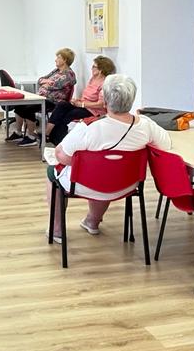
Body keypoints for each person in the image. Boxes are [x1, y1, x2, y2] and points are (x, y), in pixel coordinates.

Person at [47, 74, 172, 241]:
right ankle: (92, 222)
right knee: (108, 172)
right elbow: (165, 145)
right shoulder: (146, 125)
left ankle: (57, 229)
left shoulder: (88, 127)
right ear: (131, 100)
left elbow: (61, 155)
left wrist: (84, 164)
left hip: (85, 184)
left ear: (105, 101)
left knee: (52, 174)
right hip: (126, 185)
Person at [10, 48, 77, 147]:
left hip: (53, 102)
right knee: (19, 105)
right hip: (42, 98)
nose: (55, 60)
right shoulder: (56, 71)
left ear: (65, 60)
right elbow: (40, 80)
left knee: (28, 109)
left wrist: (46, 84)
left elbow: (54, 86)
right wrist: (46, 82)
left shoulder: (69, 74)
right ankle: (18, 133)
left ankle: (31, 137)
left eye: (58, 57)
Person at [44, 55, 116, 145]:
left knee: (69, 115)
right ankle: (47, 134)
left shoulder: (104, 84)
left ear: (101, 70)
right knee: (62, 105)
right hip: (83, 106)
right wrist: (78, 101)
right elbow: (87, 96)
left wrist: (82, 104)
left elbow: (101, 104)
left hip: (94, 111)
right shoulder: (93, 79)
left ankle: (59, 141)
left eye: (94, 66)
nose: (91, 68)